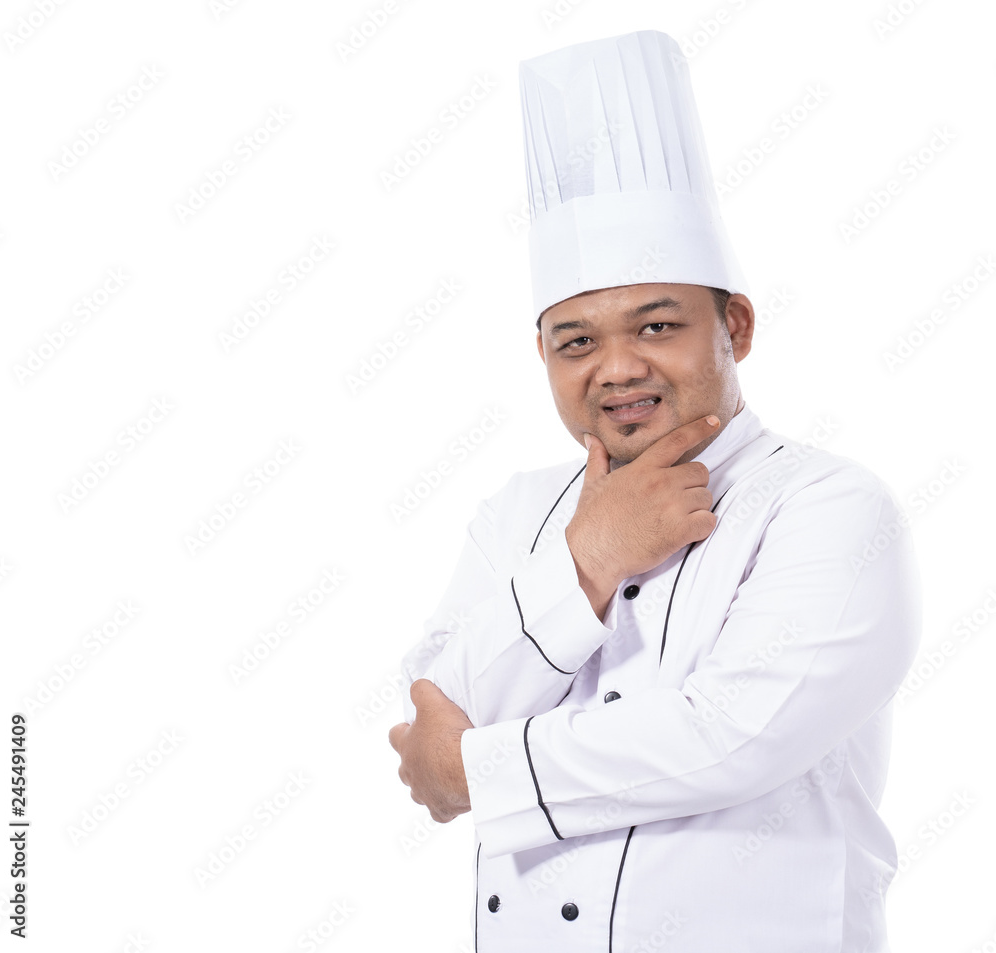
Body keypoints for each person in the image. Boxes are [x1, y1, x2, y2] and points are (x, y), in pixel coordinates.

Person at [388, 30, 921, 953]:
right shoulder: (515, 511)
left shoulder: (833, 507)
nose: (618, 368)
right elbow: (436, 697)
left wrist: (471, 770)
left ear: (737, 325)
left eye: (657, 323)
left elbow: (726, 738)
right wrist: (590, 558)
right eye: (576, 340)